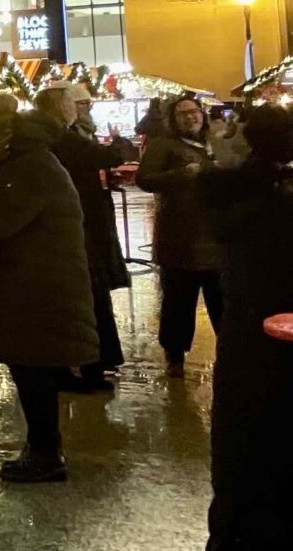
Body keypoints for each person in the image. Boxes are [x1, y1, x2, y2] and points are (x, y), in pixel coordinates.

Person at [0, 96, 97, 483]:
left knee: (34, 371)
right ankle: (42, 447)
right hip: (29, 285)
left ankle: (46, 454)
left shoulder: (28, 169)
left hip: (38, 291)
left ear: (4, 137)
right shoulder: (20, 168)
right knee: (30, 370)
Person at [197, 105, 293, 549]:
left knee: (246, 455)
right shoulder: (256, 198)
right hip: (257, 345)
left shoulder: (252, 205)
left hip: (255, 352)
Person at [36, 85, 132, 392]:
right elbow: (109, 156)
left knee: (78, 298)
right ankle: (88, 367)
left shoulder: (53, 136)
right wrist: (118, 140)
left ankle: (77, 365)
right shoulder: (64, 138)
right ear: (61, 107)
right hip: (76, 228)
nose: (78, 109)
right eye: (74, 104)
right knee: (85, 298)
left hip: (71, 225)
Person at [138, 95, 224, 378]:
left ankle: (229, 352)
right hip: (180, 241)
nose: (191, 117)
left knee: (222, 304)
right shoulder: (163, 145)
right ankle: (175, 357)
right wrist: (180, 174)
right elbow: (145, 179)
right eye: (183, 114)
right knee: (178, 303)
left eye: (194, 112)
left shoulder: (216, 143)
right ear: (173, 120)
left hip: (216, 240)